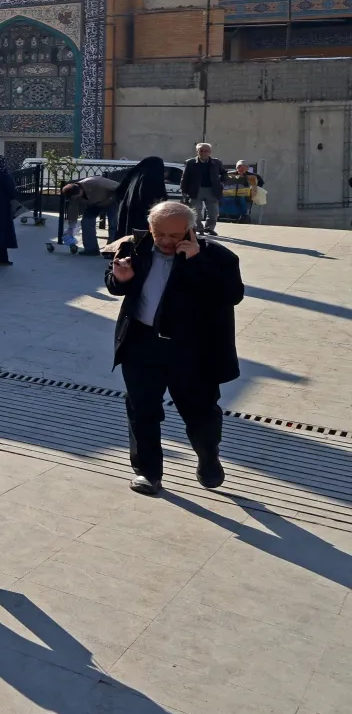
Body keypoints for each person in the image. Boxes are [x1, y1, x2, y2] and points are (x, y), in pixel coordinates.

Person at [106, 200, 245, 495]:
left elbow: (232, 295)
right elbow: (115, 283)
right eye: (160, 235)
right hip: (141, 345)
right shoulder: (136, 247)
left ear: (190, 230)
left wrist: (197, 261)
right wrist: (119, 279)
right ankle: (148, 472)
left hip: (192, 351)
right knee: (141, 410)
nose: (167, 242)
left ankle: (208, 457)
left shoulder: (217, 257)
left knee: (201, 413)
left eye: (175, 235)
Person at [57, 175, 119, 255]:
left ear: (80, 191)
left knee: (113, 224)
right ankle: (91, 249)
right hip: (94, 204)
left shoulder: (95, 182)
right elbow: (73, 209)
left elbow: (119, 187)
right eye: (74, 199)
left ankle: (111, 250)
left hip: (112, 201)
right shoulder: (73, 195)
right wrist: (71, 226)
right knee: (86, 222)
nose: (76, 199)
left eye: (76, 198)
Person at [112, 155, 170, 237]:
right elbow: (154, 201)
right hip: (143, 220)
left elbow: (120, 192)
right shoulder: (151, 178)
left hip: (129, 216)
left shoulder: (135, 176)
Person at [181, 143, 226, 236]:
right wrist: (184, 190)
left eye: (206, 151)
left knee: (213, 212)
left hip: (212, 190)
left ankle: (209, 228)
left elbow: (224, 173)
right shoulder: (190, 162)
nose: (203, 153)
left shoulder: (216, 162)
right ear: (197, 152)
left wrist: (221, 183)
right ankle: (199, 228)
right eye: (201, 151)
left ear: (210, 152)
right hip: (196, 190)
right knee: (196, 211)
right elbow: (185, 178)